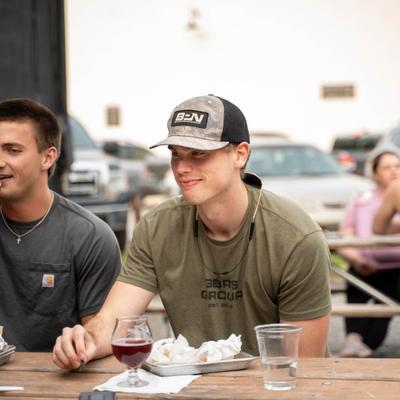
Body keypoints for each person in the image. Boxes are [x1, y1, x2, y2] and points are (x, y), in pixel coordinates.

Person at [52, 94, 331, 369]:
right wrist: (83, 341)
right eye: (175, 154)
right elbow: (115, 322)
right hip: (187, 385)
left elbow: (303, 366)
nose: (182, 168)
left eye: (198, 153)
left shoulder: (296, 238)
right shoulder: (156, 226)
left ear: (240, 154)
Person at [0, 98, 121, 351]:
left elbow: (101, 340)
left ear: (48, 157)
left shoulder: (89, 236)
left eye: (12, 150)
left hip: (59, 384)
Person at [338, 151, 400, 357]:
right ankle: (353, 340)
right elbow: (346, 236)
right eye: (387, 167)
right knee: (355, 276)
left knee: (388, 297)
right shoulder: (362, 200)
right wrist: (357, 259)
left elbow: (380, 228)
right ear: (375, 174)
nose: (394, 171)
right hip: (368, 265)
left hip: (395, 269)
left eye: (397, 166)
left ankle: (362, 343)